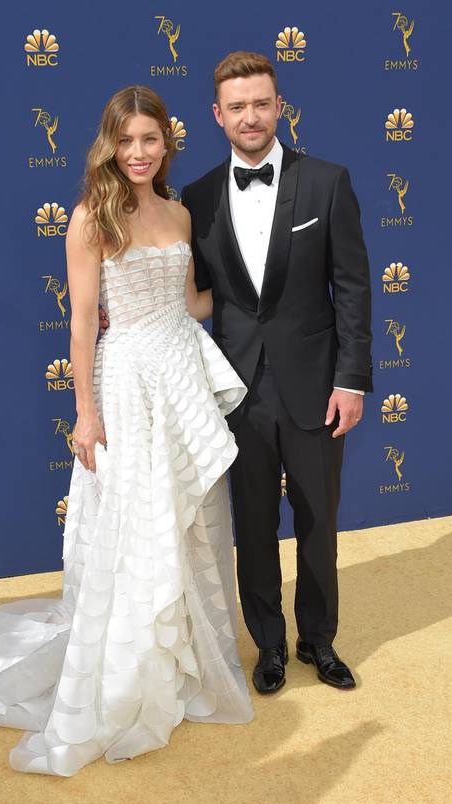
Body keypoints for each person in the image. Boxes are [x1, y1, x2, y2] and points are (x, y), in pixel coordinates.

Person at [0, 86, 253, 777]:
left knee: (189, 516)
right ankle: (134, 668)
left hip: (179, 372)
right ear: (110, 143)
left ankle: (189, 659)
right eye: (126, 140)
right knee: (137, 519)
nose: (138, 153)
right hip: (126, 379)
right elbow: (80, 322)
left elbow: (190, 301)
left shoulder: (183, 213)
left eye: (150, 140)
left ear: (168, 143)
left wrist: (257, 289)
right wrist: (86, 411)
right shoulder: (91, 217)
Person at [180, 52, 372, 694]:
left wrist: (352, 379)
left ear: (279, 106)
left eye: (261, 103)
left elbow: (352, 288)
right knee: (254, 524)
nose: (250, 116)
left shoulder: (327, 182)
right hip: (238, 389)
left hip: (317, 385)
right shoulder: (199, 197)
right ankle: (267, 644)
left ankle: (318, 639)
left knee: (319, 520)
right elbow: (193, 297)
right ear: (218, 116)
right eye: (237, 106)